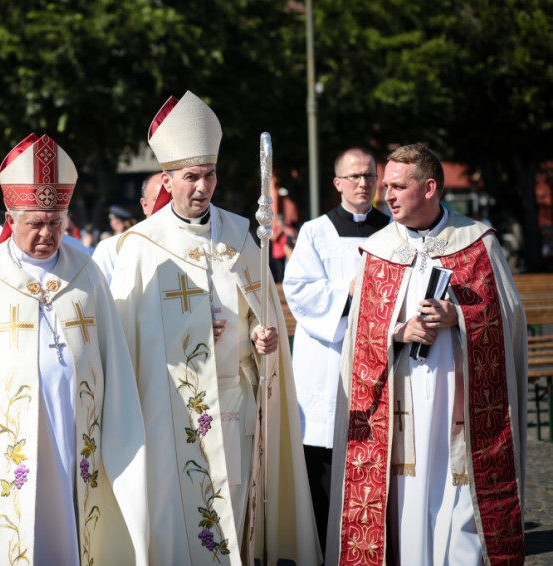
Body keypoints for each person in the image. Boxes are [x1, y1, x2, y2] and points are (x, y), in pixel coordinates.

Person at [110, 91, 320, 565]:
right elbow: (125, 344)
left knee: (236, 514)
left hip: (233, 405)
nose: (202, 187)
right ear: (167, 181)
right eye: (191, 177)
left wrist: (261, 337)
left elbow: (258, 313)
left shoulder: (238, 234)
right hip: (170, 411)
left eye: (209, 175)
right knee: (180, 520)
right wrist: (188, 330)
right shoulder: (141, 246)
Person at [0, 133, 148, 565]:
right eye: (35, 224)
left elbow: (114, 362)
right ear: (11, 219)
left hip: (75, 431)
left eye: (55, 222)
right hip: (7, 439)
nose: (47, 234)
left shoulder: (86, 272)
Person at [326, 143, 527, 565]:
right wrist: (399, 331)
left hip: (463, 407)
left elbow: (509, 319)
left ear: (430, 188)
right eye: (386, 186)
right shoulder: (379, 250)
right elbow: (361, 335)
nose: (386, 196)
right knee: (406, 502)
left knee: (462, 497)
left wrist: (459, 316)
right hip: (403, 410)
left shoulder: (477, 242)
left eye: (398, 187)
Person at [281, 147, 390, 555]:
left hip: (380, 356)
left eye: (370, 175)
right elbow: (298, 289)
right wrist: (348, 293)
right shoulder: (315, 232)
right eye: (355, 176)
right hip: (326, 359)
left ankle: (372, 546)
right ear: (338, 183)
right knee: (325, 454)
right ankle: (324, 550)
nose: (363, 183)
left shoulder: (393, 230)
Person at [92, 172, 163, 283]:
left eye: (172, 200)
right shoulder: (109, 249)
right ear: (145, 205)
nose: (167, 205)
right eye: (158, 200)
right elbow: (98, 290)